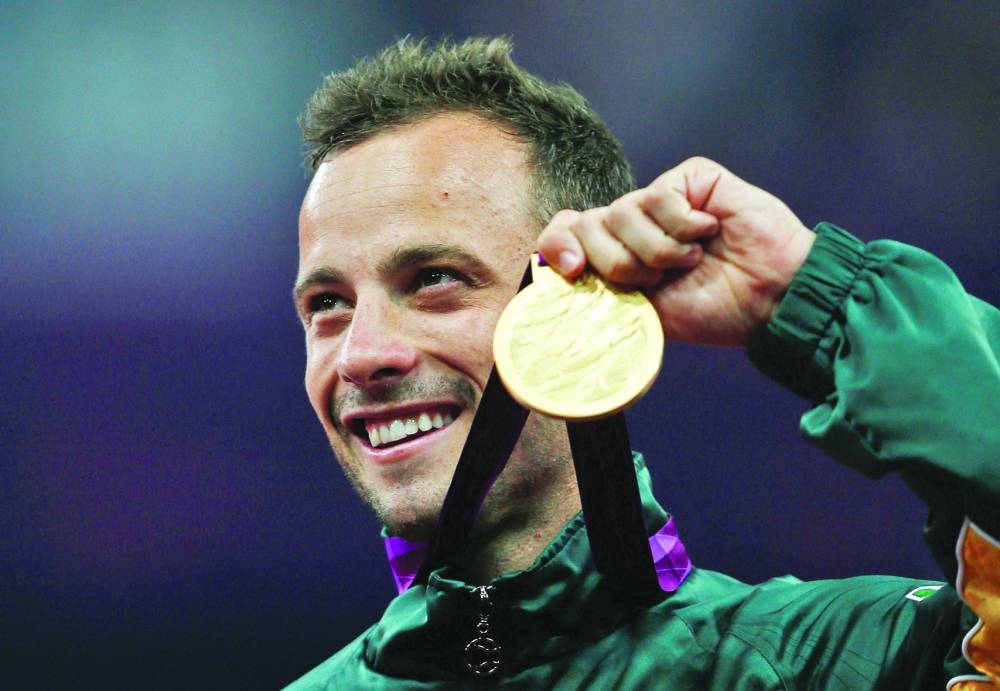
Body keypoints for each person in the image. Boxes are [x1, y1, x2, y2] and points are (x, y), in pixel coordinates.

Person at [286, 37, 999, 689]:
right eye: (327, 303)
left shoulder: (836, 664)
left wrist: (819, 297)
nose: (361, 354)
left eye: (433, 279)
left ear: (577, 303)